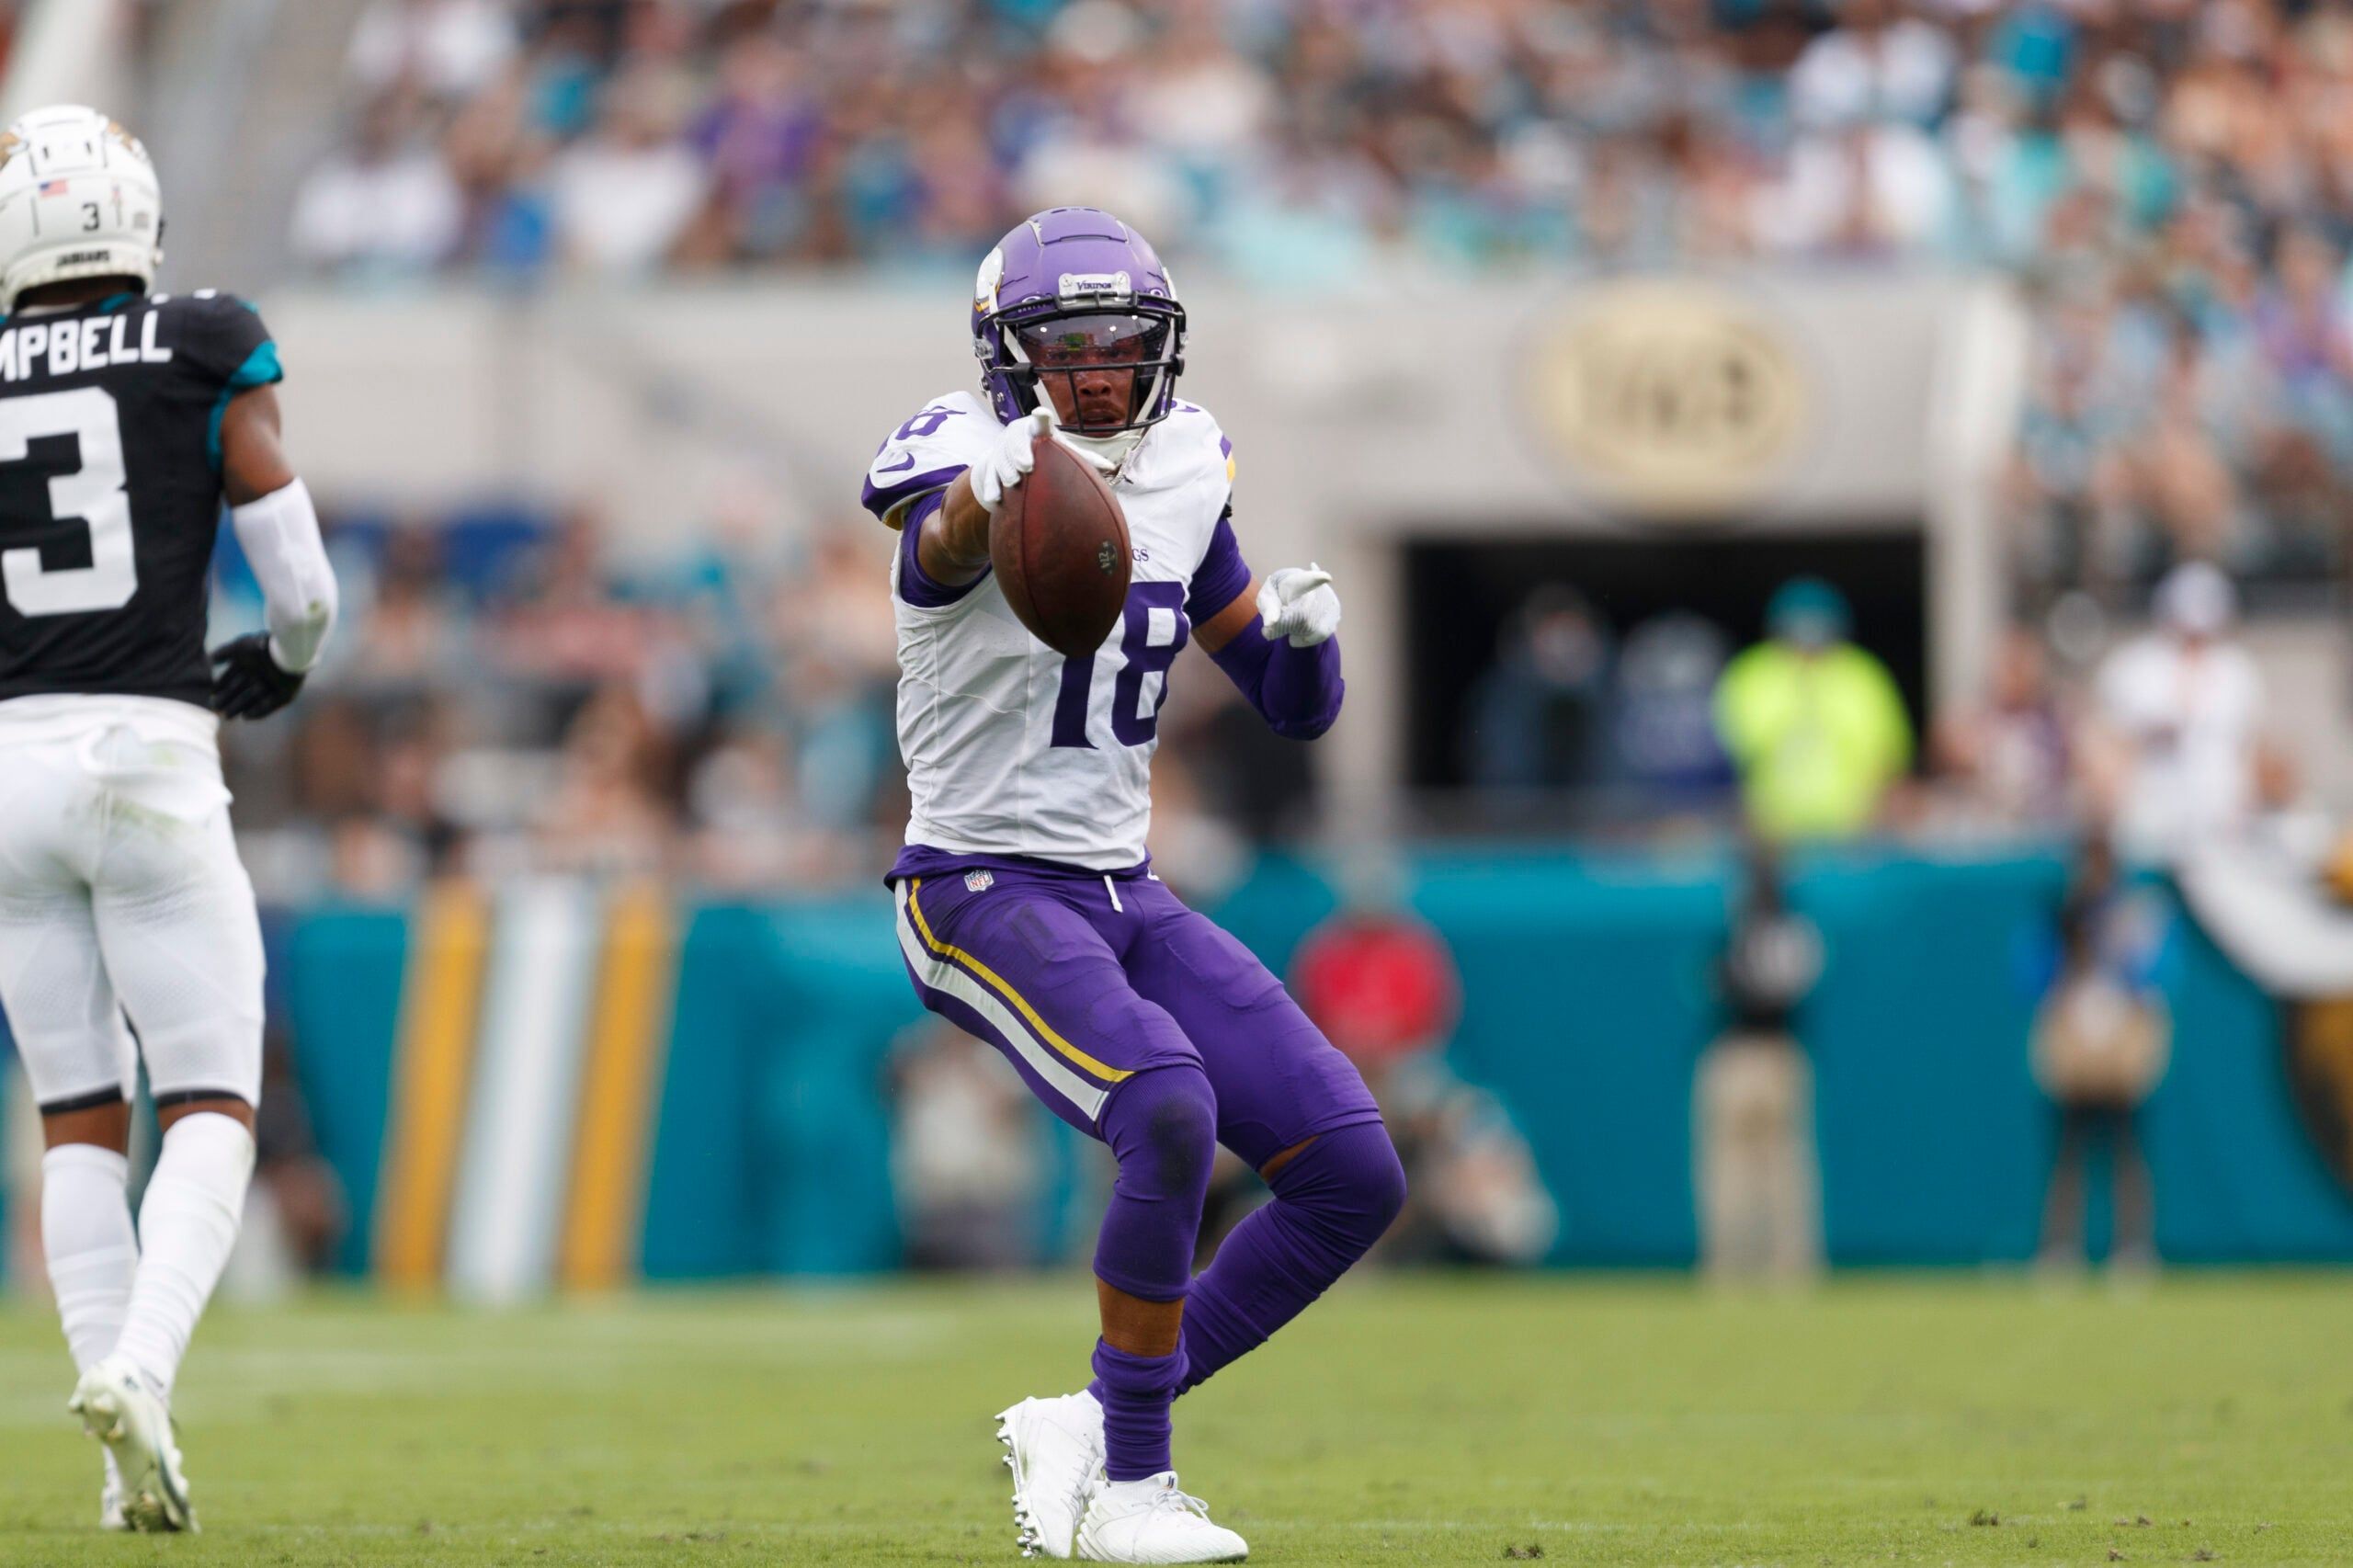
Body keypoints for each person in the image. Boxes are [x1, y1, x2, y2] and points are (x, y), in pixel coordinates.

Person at [860, 207, 1403, 1563]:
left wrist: (1307, 635)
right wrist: (994, 490)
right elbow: (937, 549)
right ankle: (1136, 1492)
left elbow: (1286, 702)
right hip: (975, 884)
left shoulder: (1185, 464)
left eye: (1122, 346)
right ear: (1008, 356)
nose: (1100, 373)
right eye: (1069, 347)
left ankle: (1090, 1421)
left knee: (1351, 1168)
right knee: (1165, 1103)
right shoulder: (962, 456)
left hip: (1121, 885)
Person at [0, 106, 337, 1533]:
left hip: (8, 768)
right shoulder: (199, 337)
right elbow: (302, 583)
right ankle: (139, 1365)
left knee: (74, 1110)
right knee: (210, 1097)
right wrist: (283, 663)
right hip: (145, 751)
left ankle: (108, 1416)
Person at [1694, 840, 1824, 1284]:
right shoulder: (1798, 932)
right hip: (1779, 1052)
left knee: (1741, 1169)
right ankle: (1785, 1266)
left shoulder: (1753, 930)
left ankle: (1735, 1265)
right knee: (1780, 1169)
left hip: (1745, 1051)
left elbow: (1729, 983)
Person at [2086, 562, 2271, 864]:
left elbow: (2249, 749)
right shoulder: (2135, 667)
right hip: (2150, 822)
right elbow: (2108, 746)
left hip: (2220, 825)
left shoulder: (2238, 671)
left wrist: (2246, 806)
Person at [1713, 577, 1912, 842]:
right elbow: (1726, 756)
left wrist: (1877, 813)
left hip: (1853, 832)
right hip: (1771, 836)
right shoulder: (1752, 673)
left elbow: (1890, 755)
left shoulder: (1862, 673)